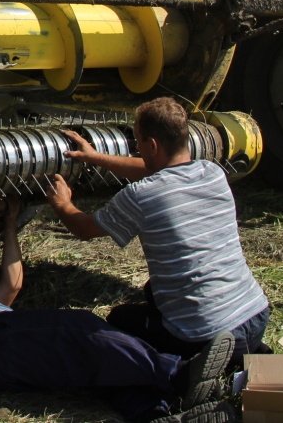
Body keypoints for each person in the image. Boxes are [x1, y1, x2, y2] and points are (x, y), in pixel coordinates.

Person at [0, 198, 237, 423]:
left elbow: (12, 284)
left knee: (92, 366)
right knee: (79, 328)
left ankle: (153, 414)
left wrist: (9, 224)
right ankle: (178, 376)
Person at [44, 96, 270, 365]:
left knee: (121, 319)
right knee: (153, 292)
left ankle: (183, 373)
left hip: (201, 334)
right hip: (255, 315)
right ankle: (244, 353)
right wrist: (96, 158)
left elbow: (84, 229)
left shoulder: (142, 196)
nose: (137, 149)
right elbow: (154, 170)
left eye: (137, 142)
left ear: (152, 145)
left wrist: (61, 202)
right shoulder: (212, 172)